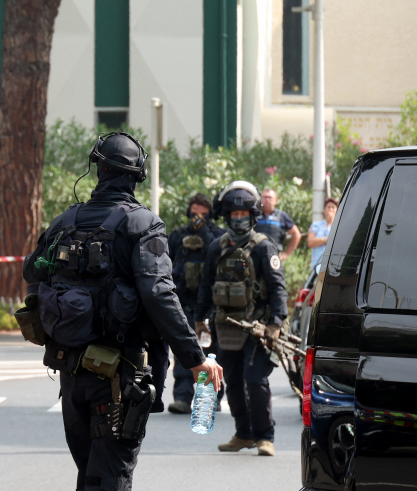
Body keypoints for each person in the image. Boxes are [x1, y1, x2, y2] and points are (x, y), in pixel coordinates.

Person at [22, 132, 222, 491]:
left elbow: (32, 273)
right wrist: (196, 358)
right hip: (119, 377)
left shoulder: (64, 221)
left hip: (71, 374)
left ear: (97, 169)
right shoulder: (143, 224)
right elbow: (159, 293)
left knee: (90, 475)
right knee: (111, 478)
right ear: (137, 175)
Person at [197, 181, 288, 456]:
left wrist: (275, 323)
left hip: (258, 328)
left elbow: (277, 287)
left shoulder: (264, 247)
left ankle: (264, 437)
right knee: (232, 380)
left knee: (255, 380)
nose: (238, 220)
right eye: (234, 216)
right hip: (226, 327)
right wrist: (199, 319)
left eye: (243, 216)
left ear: (252, 216)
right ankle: (244, 433)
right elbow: (205, 285)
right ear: (227, 217)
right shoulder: (216, 247)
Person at [155, 193, 225, 414]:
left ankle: (211, 398)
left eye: (203, 211)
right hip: (183, 301)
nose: (198, 215)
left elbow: (219, 254)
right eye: (194, 210)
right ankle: (183, 398)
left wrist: (203, 231)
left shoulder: (218, 236)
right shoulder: (177, 236)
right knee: (184, 350)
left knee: (212, 352)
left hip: (210, 304)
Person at [255, 188, 301, 261]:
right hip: (255, 255)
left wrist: (286, 254)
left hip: (273, 257)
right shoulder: (254, 215)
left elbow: (296, 234)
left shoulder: (281, 216)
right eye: (264, 197)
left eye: (270, 197)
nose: (267, 200)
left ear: (276, 200)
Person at [307, 197, 339, 268]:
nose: (330, 209)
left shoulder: (339, 226)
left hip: (334, 266)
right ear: (324, 209)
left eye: (333, 207)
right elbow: (310, 242)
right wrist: (326, 239)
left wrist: (319, 240)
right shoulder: (316, 225)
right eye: (328, 207)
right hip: (317, 265)